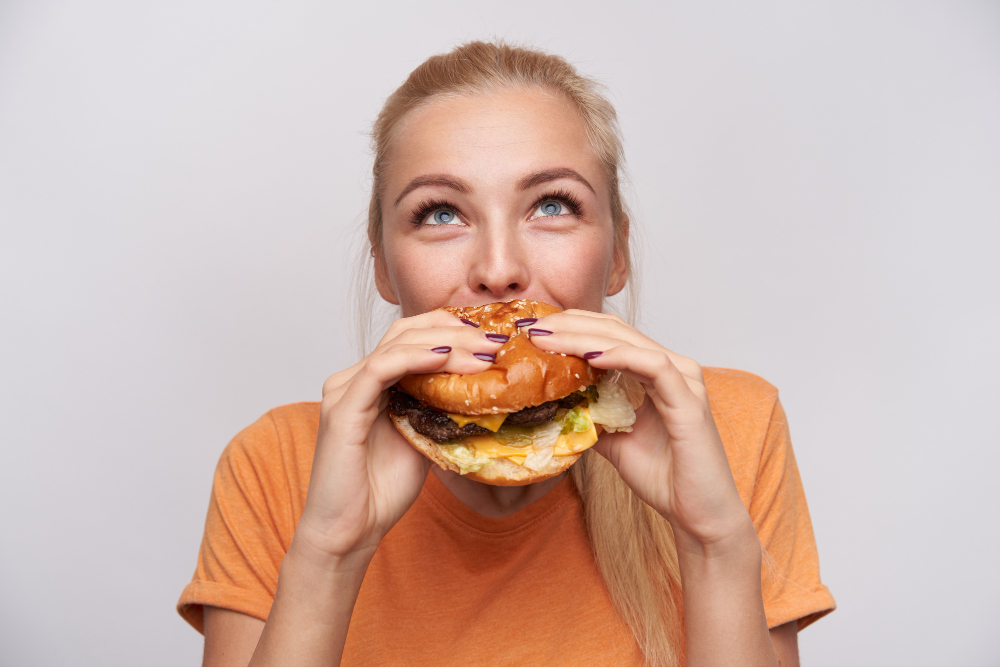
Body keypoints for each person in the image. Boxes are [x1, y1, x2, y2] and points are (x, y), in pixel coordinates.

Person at [177, 40, 835, 666]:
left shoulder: (728, 428)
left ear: (618, 254)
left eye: (552, 205)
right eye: (440, 213)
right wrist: (327, 550)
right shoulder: (276, 465)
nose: (498, 269)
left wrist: (715, 542)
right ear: (383, 264)